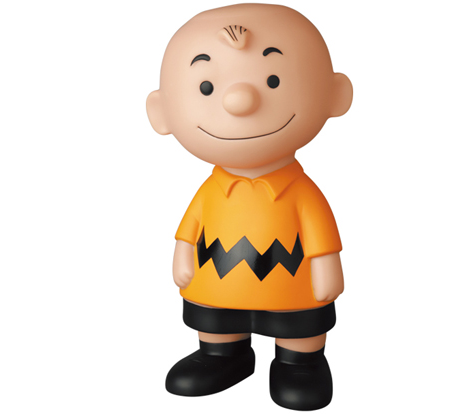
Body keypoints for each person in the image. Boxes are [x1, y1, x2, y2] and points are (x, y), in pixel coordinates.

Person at [146, 4, 353, 410]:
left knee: (299, 329)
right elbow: (189, 231)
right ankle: (222, 354)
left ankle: (300, 362)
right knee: (216, 322)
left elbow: (321, 237)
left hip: (293, 290)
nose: (239, 101)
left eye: (273, 80)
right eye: (207, 87)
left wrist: (327, 266)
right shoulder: (209, 192)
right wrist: (182, 254)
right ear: (161, 113)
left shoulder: (302, 193)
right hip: (216, 286)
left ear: (336, 95)